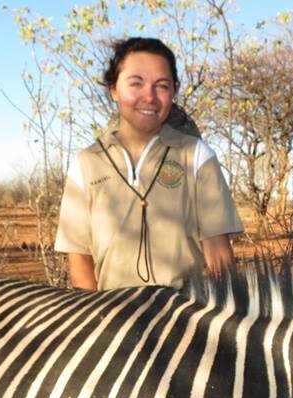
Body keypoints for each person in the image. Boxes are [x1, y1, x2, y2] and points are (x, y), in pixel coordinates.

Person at [54, 37, 243, 291]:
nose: (149, 97)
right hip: (111, 318)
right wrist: (96, 321)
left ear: (173, 91)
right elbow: (79, 260)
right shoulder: (87, 163)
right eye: (136, 83)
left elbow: (218, 253)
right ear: (113, 89)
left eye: (162, 86)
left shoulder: (196, 155)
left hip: (184, 318)